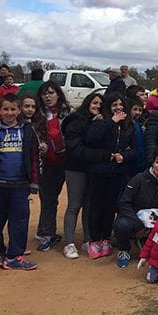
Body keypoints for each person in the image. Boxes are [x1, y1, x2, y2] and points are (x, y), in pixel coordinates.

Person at [0, 93, 40, 270]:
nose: (10, 113)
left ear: (19, 110)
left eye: (13, 109)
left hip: (20, 185)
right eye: (6, 109)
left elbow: (34, 157)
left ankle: (14, 256)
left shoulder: (28, 130)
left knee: (19, 221)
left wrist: (34, 182)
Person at [85, 93, 138, 260]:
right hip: (99, 171)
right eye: (114, 105)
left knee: (110, 207)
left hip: (117, 172)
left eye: (121, 105)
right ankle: (94, 240)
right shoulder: (100, 121)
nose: (118, 108)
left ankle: (105, 238)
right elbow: (91, 139)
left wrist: (124, 156)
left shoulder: (129, 125)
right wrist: (111, 122)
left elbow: (135, 150)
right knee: (96, 206)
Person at [113, 147, 158, 268]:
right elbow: (124, 203)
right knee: (121, 225)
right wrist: (139, 224)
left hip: (156, 220)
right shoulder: (139, 178)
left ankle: (154, 249)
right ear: (152, 163)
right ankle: (124, 250)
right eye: (157, 162)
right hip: (134, 216)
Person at [61, 93, 105, 259]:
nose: (97, 106)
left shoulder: (100, 122)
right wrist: (99, 155)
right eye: (95, 103)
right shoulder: (75, 121)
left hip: (92, 169)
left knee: (89, 205)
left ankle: (88, 239)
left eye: (101, 104)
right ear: (87, 102)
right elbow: (75, 148)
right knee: (74, 205)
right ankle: (69, 243)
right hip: (75, 168)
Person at [34, 81, 70, 251]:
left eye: (51, 92)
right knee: (48, 198)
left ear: (58, 94)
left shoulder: (68, 113)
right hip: (45, 163)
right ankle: (46, 233)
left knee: (74, 199)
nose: (47, 96)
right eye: (44, 94)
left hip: (66, 162)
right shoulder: (36, 114)